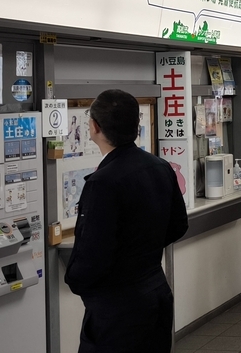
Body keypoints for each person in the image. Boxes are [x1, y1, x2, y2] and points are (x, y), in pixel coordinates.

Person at [65, 89, 188, 353]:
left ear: (95, 127)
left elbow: (93, 252)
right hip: (156, 291)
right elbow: (179, 225)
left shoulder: (102, 182)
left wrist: (75, 280)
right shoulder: (160, 166)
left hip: (117, 307)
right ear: (136, 124)